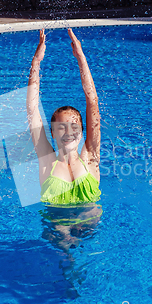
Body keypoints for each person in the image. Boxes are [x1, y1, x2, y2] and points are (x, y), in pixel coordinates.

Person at [26, 28, 102, 251]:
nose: (68, 131)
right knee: (65, 247)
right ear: (52, 132)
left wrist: (81, 58)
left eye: (74, 125)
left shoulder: (90, 156)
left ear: (82, 129)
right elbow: (32, 110)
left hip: (90, 224)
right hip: (57, 227)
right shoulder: (47, 159)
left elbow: (93, 102)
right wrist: (36, 63)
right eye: (61, 126)